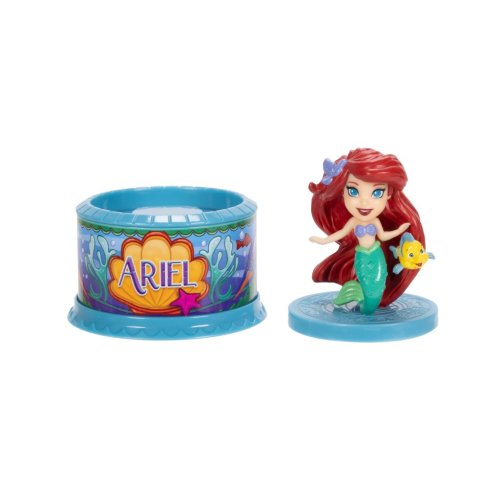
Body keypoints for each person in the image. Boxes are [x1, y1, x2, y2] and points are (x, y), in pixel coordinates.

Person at [309, 148, 424, 314]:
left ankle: (368, 305)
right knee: (365, 282)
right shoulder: (354, 221)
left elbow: (383, 235)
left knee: (377, 283)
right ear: (342, 192)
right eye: (353, 191)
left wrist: (399, 230)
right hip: (362, 256)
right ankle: (356, 299)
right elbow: (340, 234)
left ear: (389, 193)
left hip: (377, 255)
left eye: (377, 192)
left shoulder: (375, 221)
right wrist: (322, 240)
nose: (364, 202)